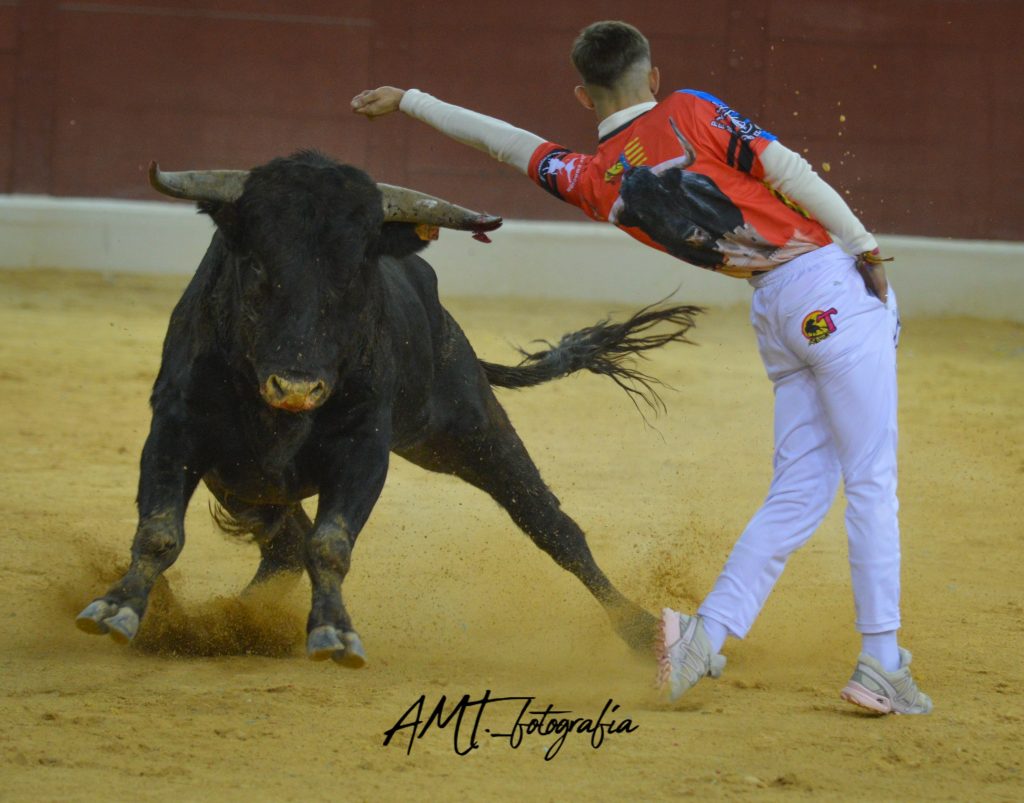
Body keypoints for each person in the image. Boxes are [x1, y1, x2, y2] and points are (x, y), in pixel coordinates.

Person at [351, 20, 932, 715]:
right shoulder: (690, 109)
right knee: (871, 480)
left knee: (799, 492)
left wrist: (411, 100)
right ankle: (881, 660)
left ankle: (702, 638)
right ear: (652, 76)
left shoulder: (593, 180)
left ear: (582, 95)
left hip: (775, 313)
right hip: (826, 288)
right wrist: (864, 246)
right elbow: (791, 172)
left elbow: (507, 142)